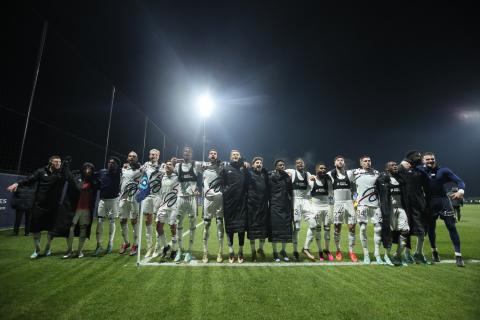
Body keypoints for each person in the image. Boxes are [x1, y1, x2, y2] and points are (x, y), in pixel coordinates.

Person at [6, 155, 75, 258]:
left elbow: (68, 178)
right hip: (39, 205)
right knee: (36, 230)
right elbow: (30, 179)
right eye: (56, 162)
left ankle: (48, 248)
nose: (58, 163)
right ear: (50, 162)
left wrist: (66, 166)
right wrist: (17, 183)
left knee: (51, 230)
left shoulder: (62, 173)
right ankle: (37, 250)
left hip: (54, 207)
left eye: (60, 162)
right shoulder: (41, 171)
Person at [419, 152, 466, 267]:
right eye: (427, 159)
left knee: (452, 227)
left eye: (432, 159)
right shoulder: (420, 170)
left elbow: (460, 181)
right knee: (431, 230)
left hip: (443, 201)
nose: (430, 161)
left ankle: (458, 256)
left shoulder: (444, 170)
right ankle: (434, 251)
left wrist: (460, 191)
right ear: (423, 161)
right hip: (429, 203)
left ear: (435, 159)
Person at [351, 155, 386, 265]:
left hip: (375, 204)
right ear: (361, 163)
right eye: (365, 161)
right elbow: (342, 178)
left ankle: (377, 254)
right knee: (362, 229)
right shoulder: (355, 173)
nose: (367, 162)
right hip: (361, 205)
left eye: (369, 161)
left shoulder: (376, 173)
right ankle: (366, 254)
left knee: (378, 229)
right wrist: (354, 197)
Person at [398, 150, 430, 264]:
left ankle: (418, 253)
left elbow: (428, 187)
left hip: (420, 205)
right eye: (416, 157)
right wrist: (401, 165)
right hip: (406, 206)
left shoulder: (421, 172)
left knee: (422, 231)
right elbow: (390, 172)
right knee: (407, 231)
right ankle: (407, 253)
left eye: (419, 157)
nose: (418, 158)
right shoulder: (401, 170)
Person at [63, 162, 100, 258]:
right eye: (86, 168)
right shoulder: (78, 179)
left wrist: (92, 178)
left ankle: (80, 251)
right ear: (82, 169)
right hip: (75, 208)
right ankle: (69, 250)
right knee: (70, 228)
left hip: (87, 209)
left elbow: (99, 185)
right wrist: (66, 167)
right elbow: (70, 180)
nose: (87, 170)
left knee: (83, 229)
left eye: (90, 169)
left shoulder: (94, 181)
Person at [377, 161, 410, 266]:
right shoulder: (382, 179)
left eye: (396, 165)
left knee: (405, 230)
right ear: (387, 169)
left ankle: (397, 255)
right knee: (389, 233)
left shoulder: (400, 179)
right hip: (389, 209)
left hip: (400, 208)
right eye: (392, 165)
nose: (395, 166)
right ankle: (387, 255)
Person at [220, 149, 249, 263]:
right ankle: (231, 251)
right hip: (229, 204)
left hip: (242, 203)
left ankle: (240, 252)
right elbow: (221, 184)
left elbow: (248, 182)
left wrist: (245, 163)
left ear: (240, 157)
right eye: (233, 155)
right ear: (230, 157)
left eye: (237, 155)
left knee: (241, 228)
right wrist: (226, 193)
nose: (235, 156)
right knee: (230, 228)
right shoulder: (226, 169)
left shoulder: (244, 168)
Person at [327, 156, 358, 262]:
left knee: (352, 227)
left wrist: (355, 199)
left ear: (344, 163)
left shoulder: (349, 174)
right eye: (338, 160)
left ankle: (351, 251)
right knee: (337, 227)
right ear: (334, 162)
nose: (340, 162)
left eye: (342, 160)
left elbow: (356, 185)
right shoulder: (330, 174)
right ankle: (338, 250)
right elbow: (320, 177)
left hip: (349, 203)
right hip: (337, 203)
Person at [174, 146, 202, 263]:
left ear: (192, 154)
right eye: (185, 152)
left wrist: (199, 188)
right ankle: (180, 250)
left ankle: (189, 252)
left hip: (191, 199)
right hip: (180, 198)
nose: (187, 153)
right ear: (182, 154)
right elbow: (169, 170)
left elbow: (208, 169)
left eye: (189, 152)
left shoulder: (196, 165)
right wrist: (173, 161)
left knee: (192, 226)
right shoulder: (177, 166)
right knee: (178, 224)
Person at [305, 162, 333, 261]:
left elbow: (331, 192)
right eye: (321, 168)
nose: (323, 170)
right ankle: (320, 250)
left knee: (327, 231)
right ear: (316, 170)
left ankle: (327, 250)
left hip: (326, 208)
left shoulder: (328, 181)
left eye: (324, 168)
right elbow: (306, 193)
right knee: (317, 231)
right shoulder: (311, 181)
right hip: (315, 209)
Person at [201, 148, 225, 263]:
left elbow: (234, 163)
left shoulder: (222, 166)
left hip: (219, 198)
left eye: (215, 153)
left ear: (217, 155)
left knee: (220, 224)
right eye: (211, 153)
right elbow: (188, 163)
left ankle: (220, 252)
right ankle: (205, 252)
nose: (213, 155)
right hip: (207, 199)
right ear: (208, 155)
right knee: (206, 225)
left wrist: (243, 162)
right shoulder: (202, 166)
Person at [94, 156, 121, 256]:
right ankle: (98, 245)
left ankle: (110, 243)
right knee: (100, 222)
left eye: (113, 163)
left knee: (111, 222)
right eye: (109, 162)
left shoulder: (119, 173)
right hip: (102, 200)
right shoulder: (102, 172)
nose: (111, 164)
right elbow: (92, 175)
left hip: (113, 200)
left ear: (117, 165)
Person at [286, 158, 312, 261]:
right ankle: (295, 251)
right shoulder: (292, 172)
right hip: (295, 201)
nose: (299, 164)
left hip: (306, 201)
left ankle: (305, 248)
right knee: (296, 228)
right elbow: (279, 169)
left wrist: (315, 178)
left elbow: (314, 182)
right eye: (297, 163)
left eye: (301, 162)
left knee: (314, 224)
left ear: (304, 164)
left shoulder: (308, 174)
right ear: (295, 165)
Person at [154, 160, 179, 261]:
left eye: (170, 165)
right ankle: (165, 246)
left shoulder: (177, 177)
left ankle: (174, 250)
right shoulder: (162, 177)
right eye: (166, 164)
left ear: (173, 167)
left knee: (173, 228)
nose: (167, 166)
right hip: (163, 205)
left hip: (173, 206)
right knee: (158, 227)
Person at [268, 159, 294, 262]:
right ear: (276, 167)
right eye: (280, 165)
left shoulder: (287, 177)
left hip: (285, 206)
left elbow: (290, 192)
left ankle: (283, 251)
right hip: (274, 206)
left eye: (283, 165)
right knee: (275, 231)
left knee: (286, 230)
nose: (282, 166)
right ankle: (275, 252)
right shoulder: (270, 176)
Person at [118, 151, 142, 256]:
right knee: (122, 220)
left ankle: (135, 244)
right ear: (127, 158)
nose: (131, 157)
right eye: (130, 156)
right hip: (123, 197)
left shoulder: (141, 169)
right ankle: (126, 242)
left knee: (134, 220)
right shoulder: (124, 168)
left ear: (137, 158)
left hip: (134, 198)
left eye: (134, 156)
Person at [141, 149, 164, 258]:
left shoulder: (162, 166)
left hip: (158, 196)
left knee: (157, 221)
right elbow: (138, 171)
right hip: (146, 195)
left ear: (158, 156)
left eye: (155, 154)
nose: (153, 156)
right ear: (149, 155)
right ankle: (149, 248)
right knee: (147, 220)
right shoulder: (145, 165)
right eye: (151, 154)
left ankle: (157, 248)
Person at [246, 156, 269, 262]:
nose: (259, 164)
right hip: (252, 207)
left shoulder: (265, 174)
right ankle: (253, 251)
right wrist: (244, 165)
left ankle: (260, 249)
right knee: (253, 231)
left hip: (263, 206)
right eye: (257, 162)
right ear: (253, 165)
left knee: (263, 230)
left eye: (260, 163)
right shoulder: (248, 174)